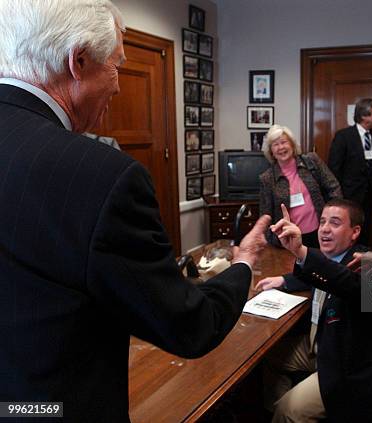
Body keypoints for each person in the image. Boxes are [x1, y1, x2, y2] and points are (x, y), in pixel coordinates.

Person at [0, 1, 270, 421]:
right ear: (79, 60)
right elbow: (190, 327)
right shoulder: (102, 176)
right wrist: (244, 264)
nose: (119, 86)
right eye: (117, 66)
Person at [257, 200, 372, 423]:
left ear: (355, 232)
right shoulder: (329, 260)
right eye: (322, 222)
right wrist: (284, 279)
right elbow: (322, 275)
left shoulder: (368, 264)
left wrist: (301, 251)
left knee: (289, 410)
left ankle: (286, 413)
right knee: (268, 357)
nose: (325, 229)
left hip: (345, 362)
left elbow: (345, 281)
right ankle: (275, 410)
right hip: (319, 342)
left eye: (335, 223)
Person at [259, 124, 342, 247]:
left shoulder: (311, 161)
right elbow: (265, 215)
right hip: (289, 239)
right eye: (275, 144)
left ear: (292, 144)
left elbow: (333, 186)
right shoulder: (267, 178)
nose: (281, 147)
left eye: (284, 142)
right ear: (271, 151)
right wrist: (275, 240)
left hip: (320, 232)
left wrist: (333, 217)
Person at [328, 98, 372, 244]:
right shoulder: (344, 136)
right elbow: (334, 168)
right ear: (364, 116)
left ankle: (362, 261)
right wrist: (338, 197)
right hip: (348, 196)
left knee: (364, 233)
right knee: (347, 233)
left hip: (369, 198)